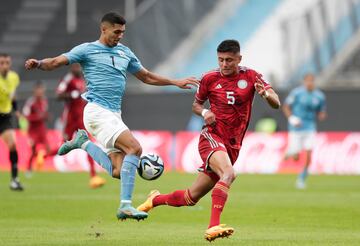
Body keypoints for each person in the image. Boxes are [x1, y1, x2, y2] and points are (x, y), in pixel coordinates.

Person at [25, 12, 198, 221]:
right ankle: (125, 205)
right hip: (97, 111)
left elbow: (147, 76)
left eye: (122, 32)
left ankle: (83, 143)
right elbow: (56, 61)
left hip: (114, 114)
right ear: (103, 29)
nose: (119, 36)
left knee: (118, 170)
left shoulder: (125, 53)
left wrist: (175, 82)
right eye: (116, 32)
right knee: (135, 148)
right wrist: (39, 63)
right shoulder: (87, 50)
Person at [137, 40, 281, 241]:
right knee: (229, 173)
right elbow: (196, 105)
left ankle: (155, 199)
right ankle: (213, 226)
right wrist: (205, 112)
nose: (224, 64)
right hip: (211, 137)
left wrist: (266, 95)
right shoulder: (209, 78)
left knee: (191, 197)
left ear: (239, 59)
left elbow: (276, 103)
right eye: (221, 60)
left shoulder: (251, 76)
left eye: (229, 60)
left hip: (233, 145)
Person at [56, 63, 106, 189]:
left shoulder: (82, 80)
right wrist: (71, 94)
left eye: (79, 66)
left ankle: (94, 176)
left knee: (88, 144)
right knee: (63, 145)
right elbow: (59, 94)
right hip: (70, 119)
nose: (78, 69)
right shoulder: (68, 79)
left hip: (81, 119)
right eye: (75, 66)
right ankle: (43, 155)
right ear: (71, 67)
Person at [282, 73, 326, 189]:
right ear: (304, 81)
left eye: (312, 81)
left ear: (314, 82)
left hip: (309, 127)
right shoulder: (297, 93)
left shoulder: (319, 96)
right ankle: (291, 151)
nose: (310, 83)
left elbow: (320, 110)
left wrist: (321, 115)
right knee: (295, 155)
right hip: (296, 128)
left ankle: (302, 178)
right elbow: (286, 106)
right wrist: (291, 118)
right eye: (308, 81)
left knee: (309, 154)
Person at [0, 53, 23, 191]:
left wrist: (16, 110)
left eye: (7, 63)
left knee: (13, 145)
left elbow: (13, 96)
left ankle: (14, 180)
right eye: (2, 63)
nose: (4, 66)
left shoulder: (14, 78)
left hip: (5, 117)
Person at [22, 81, 57, 174]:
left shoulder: (44, 101)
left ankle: (40, 158)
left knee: (48, 150)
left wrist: (47, 116)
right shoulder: (31, 102)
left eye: (42, 90)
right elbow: (25, 116)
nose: (40, 92)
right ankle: (29, 168)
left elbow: (43, 114)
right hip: (33, 130)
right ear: (35, 90)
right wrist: (37, 117)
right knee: (33, 150)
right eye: (38, 90)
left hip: (41, 129)